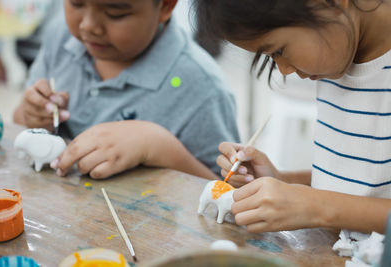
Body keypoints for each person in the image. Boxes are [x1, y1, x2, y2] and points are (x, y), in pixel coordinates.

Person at [194, 0, 391, 233]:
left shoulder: (336, 47)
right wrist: (280, 182)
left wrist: (317, 206)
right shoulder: (337, 51)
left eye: (278, 51)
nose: (284, 70)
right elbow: (363, 186)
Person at [13, 0, 240, 180]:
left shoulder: (203, 89)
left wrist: (157, 146)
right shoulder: (60, 37)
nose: (88, 26)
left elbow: (227, 195)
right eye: (76, 3)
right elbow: (18, 121)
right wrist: (32, 115)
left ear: (166, 5)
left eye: (115, 13)